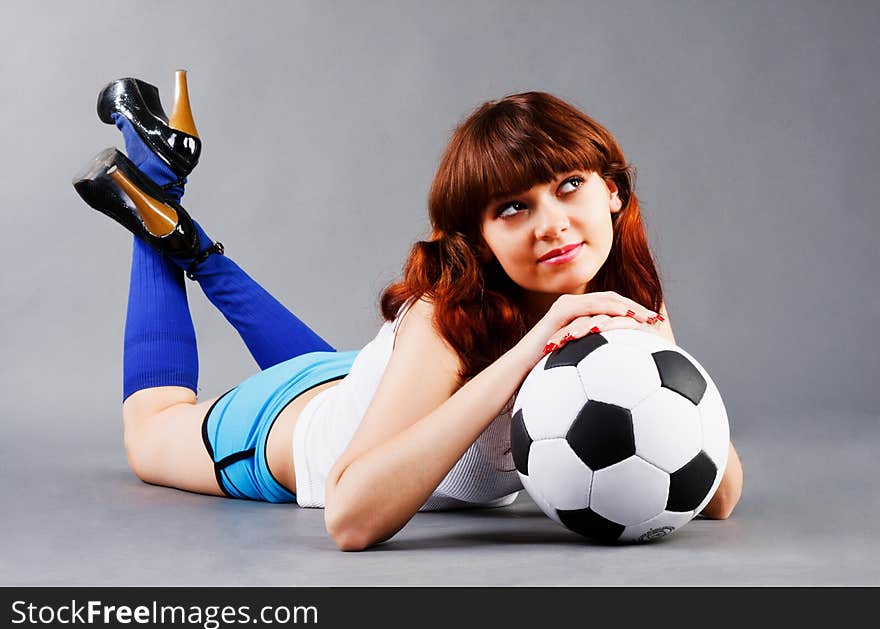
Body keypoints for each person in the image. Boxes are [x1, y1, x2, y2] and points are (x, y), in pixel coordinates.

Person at [73, 72, 743, 551]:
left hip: (363, 383)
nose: (554, 224)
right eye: (513, 207)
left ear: (615, 193)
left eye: (570, 185)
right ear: (478, 236)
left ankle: (185, 233)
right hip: (290, 432)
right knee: (149, 428)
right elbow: (352, 518)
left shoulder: (623, 295)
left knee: (342, 373)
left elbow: (719, 496)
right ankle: (153, 188)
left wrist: (665, 362)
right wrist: (529, 350)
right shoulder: (442, 318)